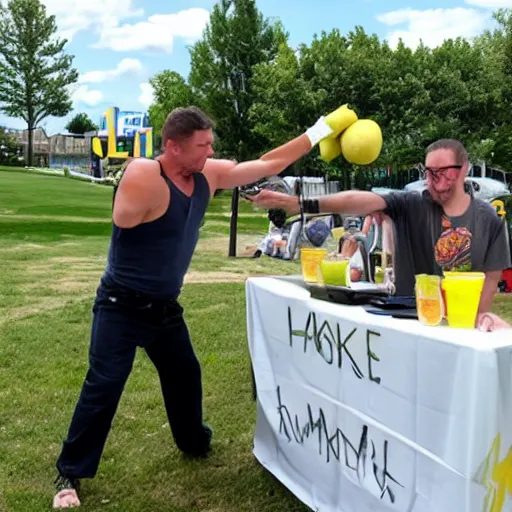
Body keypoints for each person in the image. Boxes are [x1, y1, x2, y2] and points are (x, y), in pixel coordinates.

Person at [52, 104, 348, 508]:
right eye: (202, 144)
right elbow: (124, 218)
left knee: (185, 374)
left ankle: (194, 443)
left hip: (163, 308)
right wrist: (147, 189)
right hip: (120, 305)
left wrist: (320, 129)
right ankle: (70, 472)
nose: (211, 151)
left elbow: (266, 163)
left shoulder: (208, 173)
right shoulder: (145, 173)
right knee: (104, 384)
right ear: (173, 147)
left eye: (211, 144)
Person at [248, 139, 511, 313]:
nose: (435, 179)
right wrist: (301, 203)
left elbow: (491, 278)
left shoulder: (488, 219)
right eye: (429, 172)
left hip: (459, 326)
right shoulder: (411, 204)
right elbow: (357, 199)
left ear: (464, 168)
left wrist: (479, 319)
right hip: (409, 319)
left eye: (444, 171)